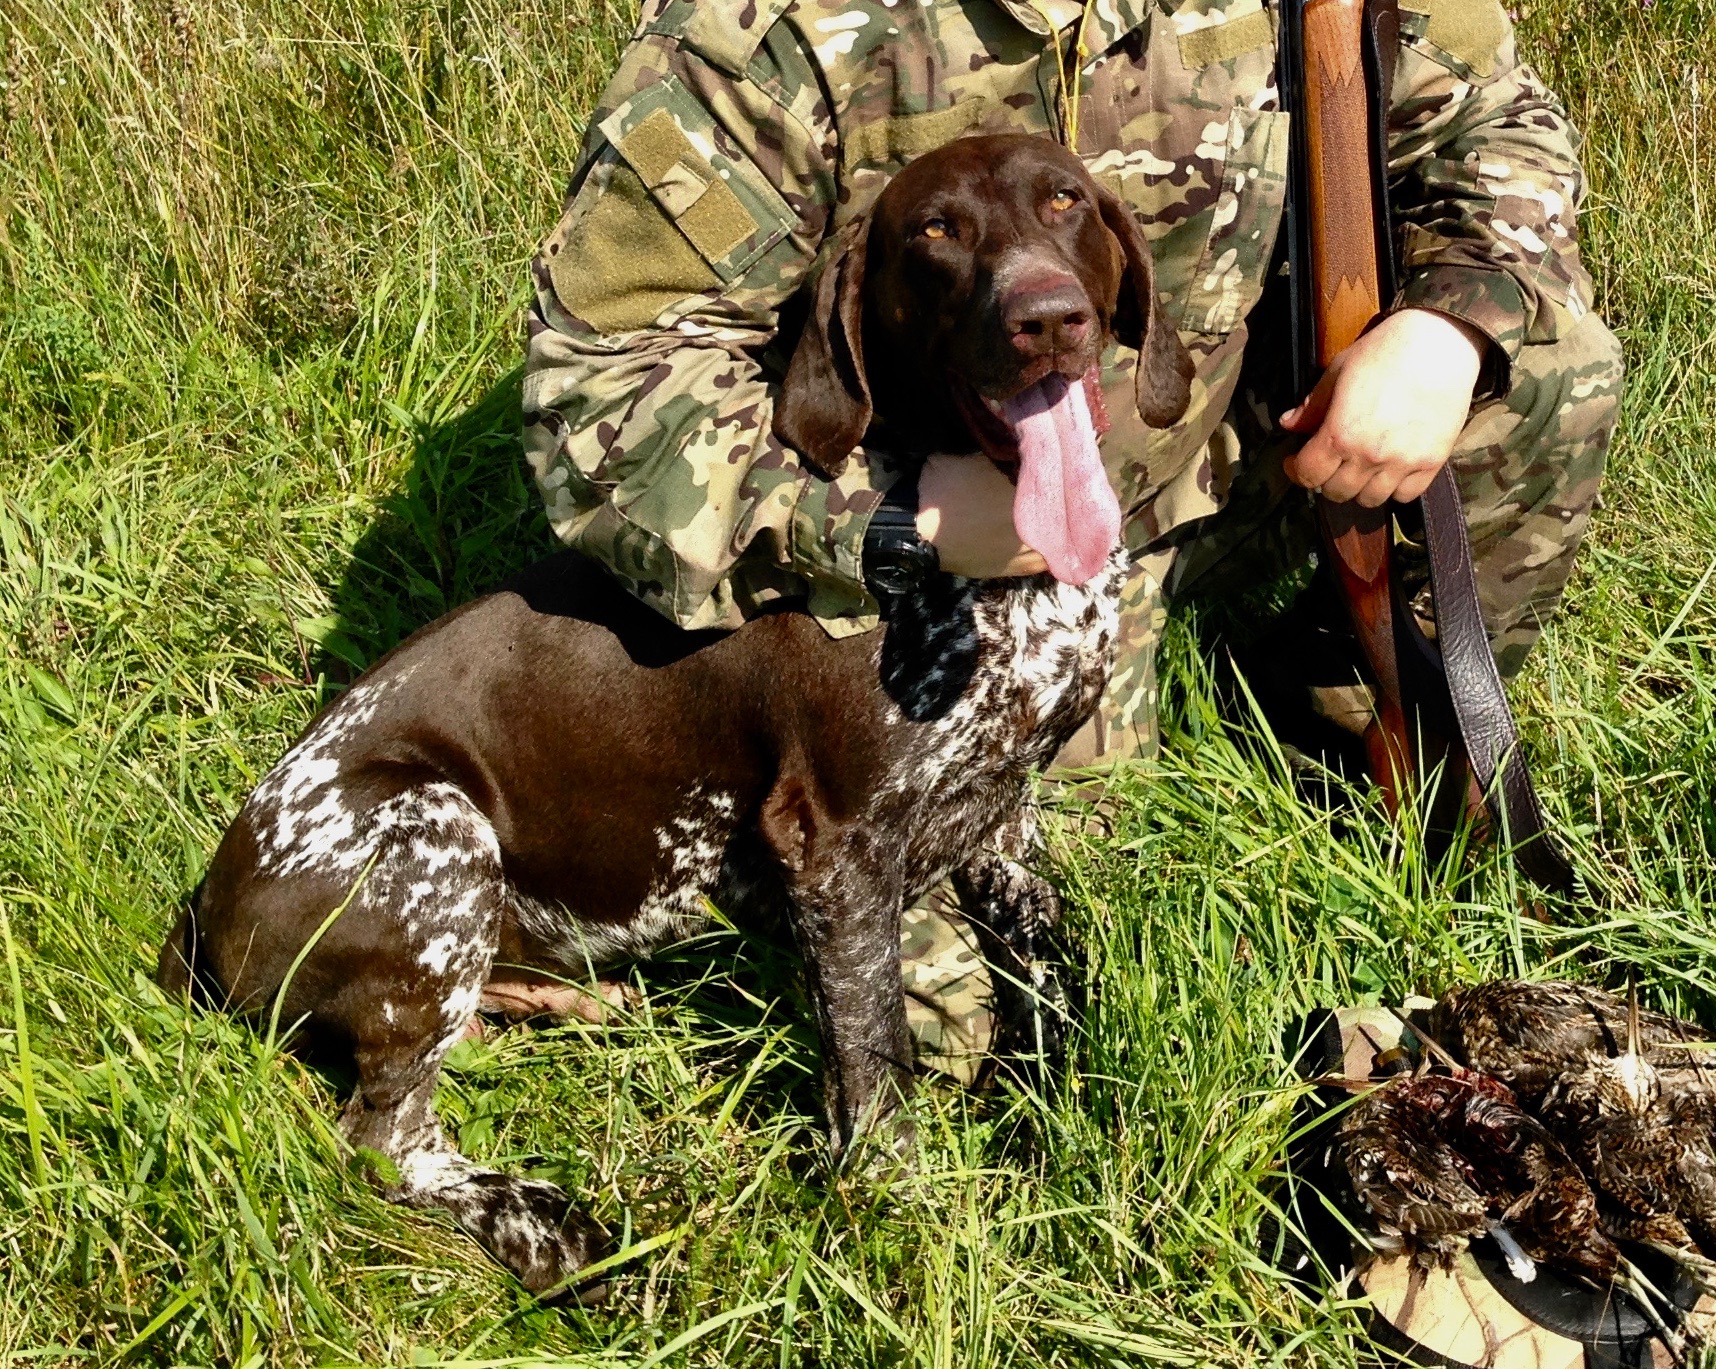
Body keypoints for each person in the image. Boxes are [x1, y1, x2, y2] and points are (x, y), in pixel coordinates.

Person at [523, 0, 1624, 1078]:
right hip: (933, 561)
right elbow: (601, 396)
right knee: (1003, 1009)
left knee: (1550, 369)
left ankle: (1335, 708)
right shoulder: (762, 36)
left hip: (1221, 463)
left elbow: (1499, 129)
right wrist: (899, 521)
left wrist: (1446, 329)